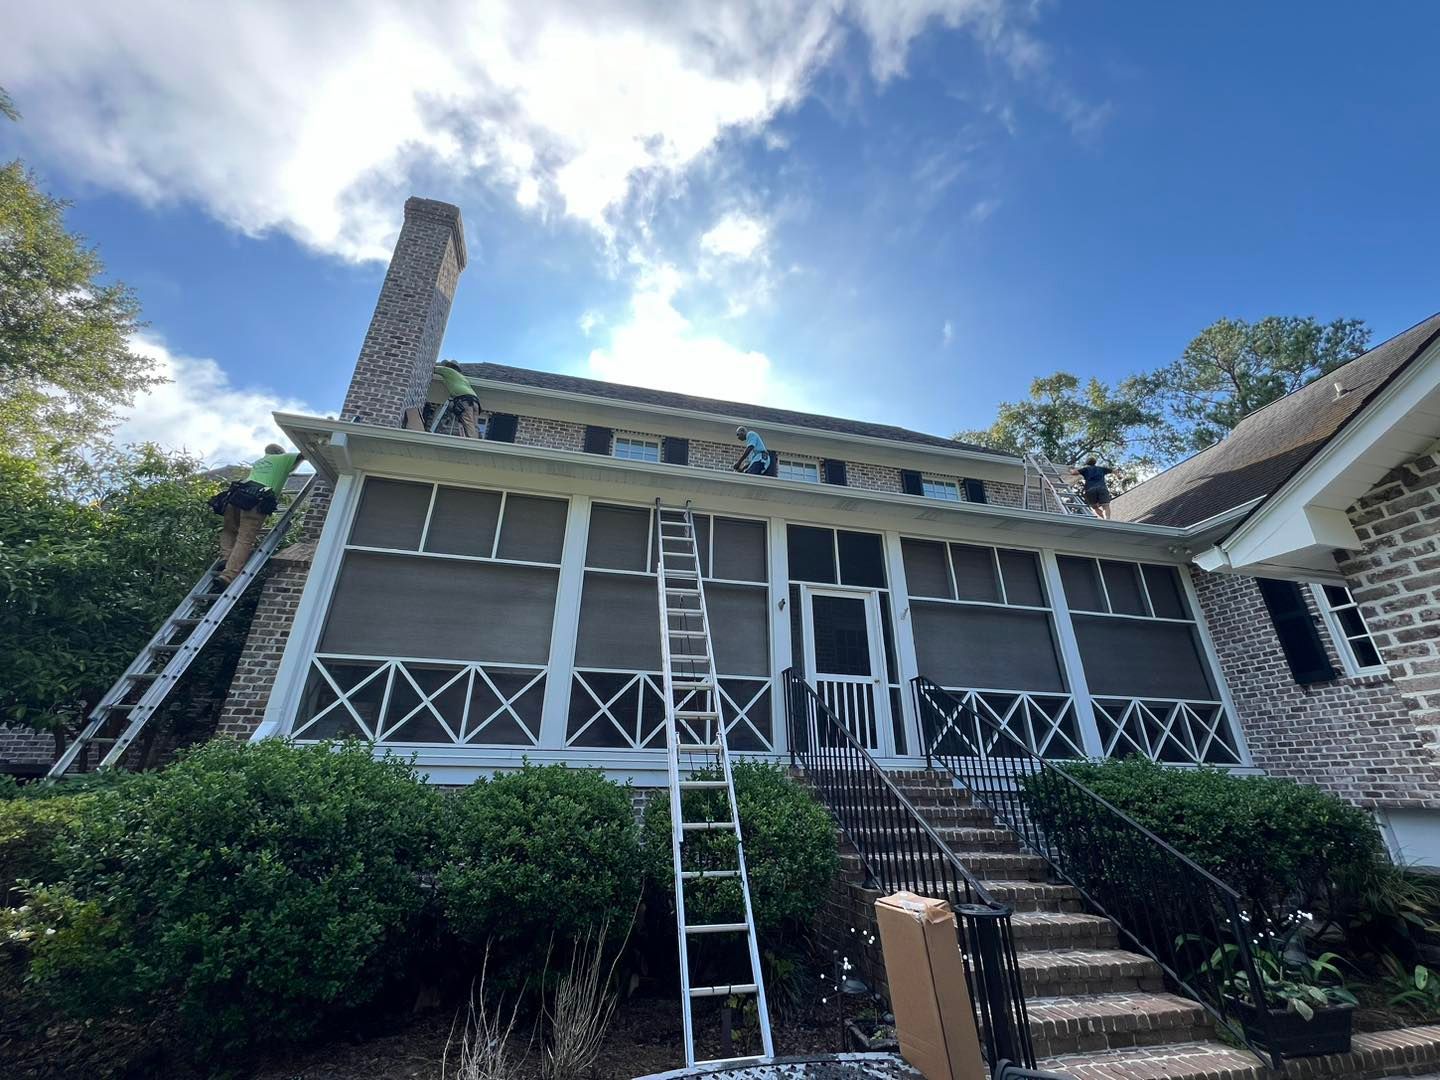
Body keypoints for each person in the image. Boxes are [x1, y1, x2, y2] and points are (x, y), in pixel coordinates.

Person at [210, 444, 305, 584]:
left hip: (236, 496)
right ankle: (228, 575)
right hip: (256, 500)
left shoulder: (260, 462)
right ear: (280, 453)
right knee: (244, 538)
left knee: (229, 530)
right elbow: (305, 453)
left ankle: (226, 557)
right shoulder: (283, 458)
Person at [433, 360, 482, 438]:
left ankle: (472, 444)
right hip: (475, 401)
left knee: (468, 423)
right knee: (474, 425)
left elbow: (433, 368)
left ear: (448, 366)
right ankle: (477, 439)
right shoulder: (462, 377)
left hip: (464, 399)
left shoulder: (448, 371)